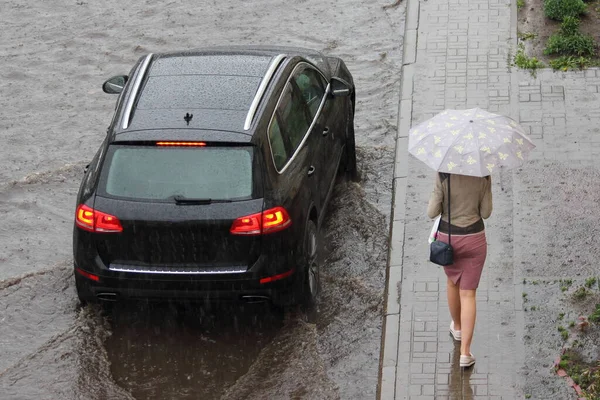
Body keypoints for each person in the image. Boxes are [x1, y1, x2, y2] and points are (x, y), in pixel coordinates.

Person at [427, 172, 492, 368]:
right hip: (475, 239)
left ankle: (457, 326)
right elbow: (486, 212)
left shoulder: (444, 172)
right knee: (469, 294)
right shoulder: (484, 173)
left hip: (450, 239)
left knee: (452, 282)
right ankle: (465, 353)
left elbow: (432, 211)